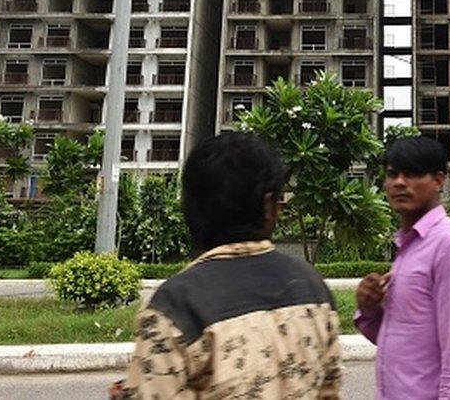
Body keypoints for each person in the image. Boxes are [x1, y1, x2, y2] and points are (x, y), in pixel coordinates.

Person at [111, 132, 341, 399]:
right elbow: (329, 390)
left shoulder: (175, 307)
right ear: (269, 205)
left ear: (189, 206)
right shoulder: (314, 288)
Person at [355, 136, 450, 399]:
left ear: (438, 181)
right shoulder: (409, 246)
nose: (399, 182)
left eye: (412, 173)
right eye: (392, 174)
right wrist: (369, 309)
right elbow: (401, 343)